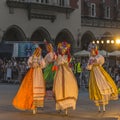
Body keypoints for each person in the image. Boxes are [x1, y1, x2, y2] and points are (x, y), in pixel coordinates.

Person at [12, 45, 46, 114]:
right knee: (30, 87)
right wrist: (32, 64)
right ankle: (32, 105)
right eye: (37, 50)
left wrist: (39, 65)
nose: (38, 52)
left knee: (38, 88)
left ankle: (35, 106)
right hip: (32, 72)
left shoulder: (40, 58)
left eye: (39, 51)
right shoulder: (32, 57)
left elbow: (43, 65)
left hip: (38, 72)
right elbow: (29, 63)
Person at [86, 43, 118, 112]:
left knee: (103, 84)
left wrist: (95, 61)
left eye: (92, 50)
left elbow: (101, 62)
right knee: (96, 88)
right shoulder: (90, 58)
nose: (91, 52)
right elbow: (88, 67)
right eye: (90, 51)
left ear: (95, 50)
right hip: (93, 74)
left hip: (100, 72)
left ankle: (103, 107)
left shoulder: (99, 56)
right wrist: (90, 64)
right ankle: (99, 108)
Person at [53, 41, 78, 115]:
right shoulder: (58, 56)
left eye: (65, 49)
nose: (63, 50)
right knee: (58, 88)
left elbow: (68, 62)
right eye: (62, 49)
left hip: (67, 72)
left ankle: (67, 106)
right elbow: (55, 63)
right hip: (59, 71)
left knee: (69, 86)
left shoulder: (67, 57)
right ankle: (60, 106)